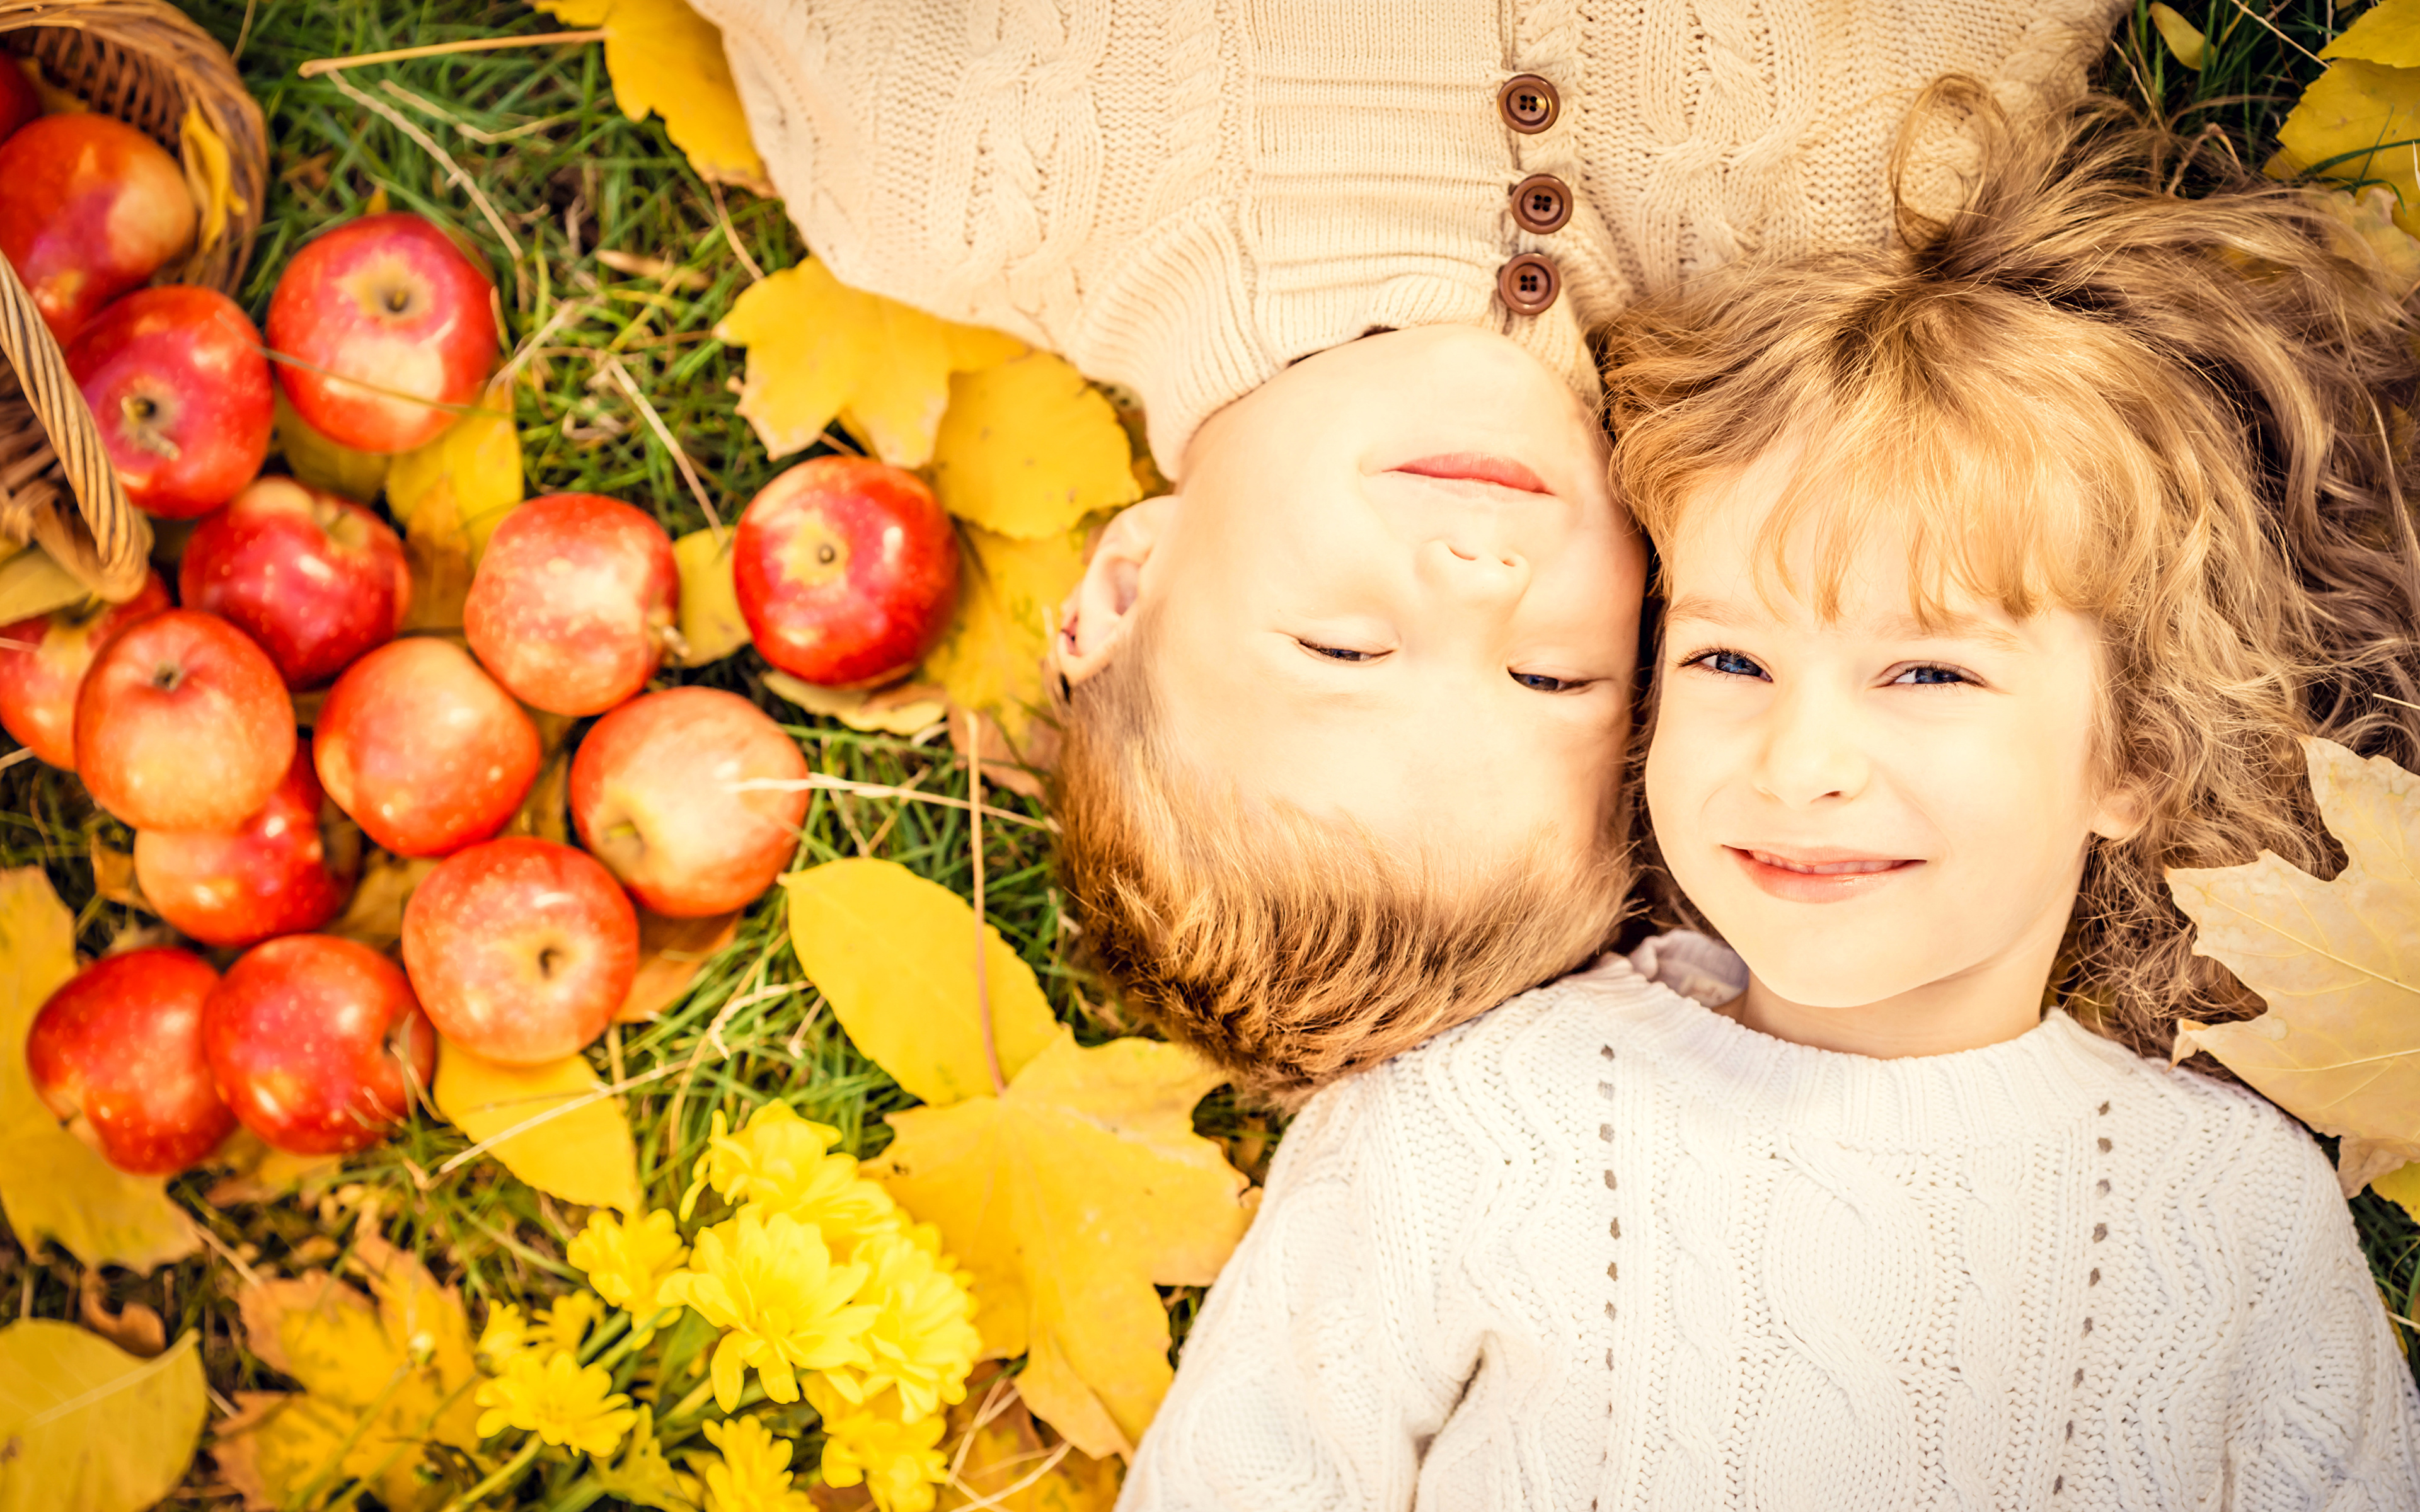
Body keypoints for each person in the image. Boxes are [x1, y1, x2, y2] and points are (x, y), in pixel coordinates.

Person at [1118, 81, 2420, 1508]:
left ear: (2134, 758)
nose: (1801, 764)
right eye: (1732, 656)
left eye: (1927, 675)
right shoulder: (1467, 1129)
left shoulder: (2234, 1219)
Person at [694, 0, 2131, 1097]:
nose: (1479, 581)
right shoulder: (1863, 193)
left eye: (1345, 648)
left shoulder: (946, 167)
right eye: (1558, 676)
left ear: (1126, 585)